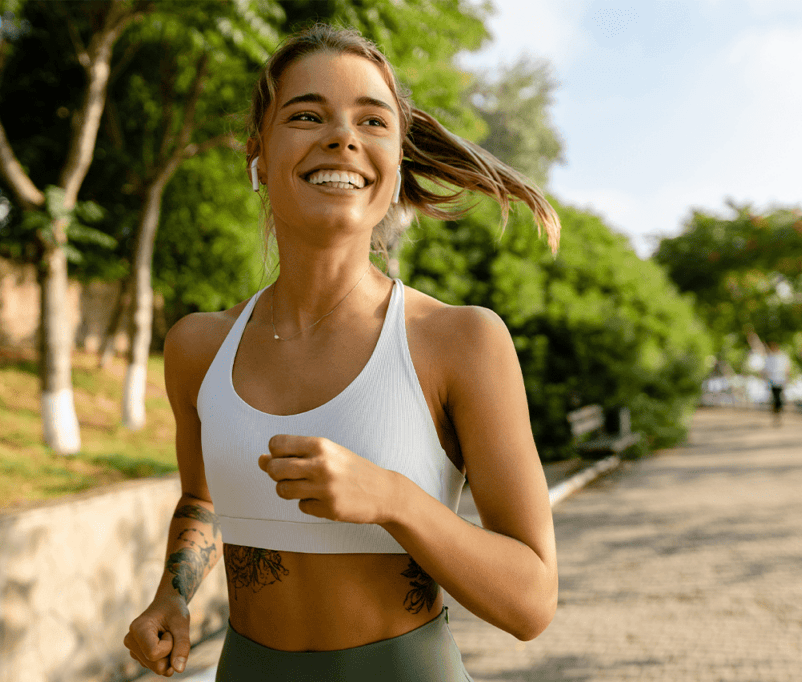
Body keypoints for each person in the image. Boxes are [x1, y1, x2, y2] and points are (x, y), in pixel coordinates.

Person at [124, 23, 560, 680]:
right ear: (259, 154)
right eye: (306, 115)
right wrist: (173, 594)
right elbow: (203, 500)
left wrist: (393, 499)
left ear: (396, 161)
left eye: (372, 120)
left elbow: (531, 601)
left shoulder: (460, 342)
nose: (342, 136)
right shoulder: (197, 348)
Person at [763, 342, 791, 426]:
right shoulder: (769, 358)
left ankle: (779, 414)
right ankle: (776, 416)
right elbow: (765, 370)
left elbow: (787, 368)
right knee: (774, 399)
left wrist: (787, 378)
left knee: (780, 399)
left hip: (780, 381)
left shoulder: (782, 357)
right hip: (772, 382)